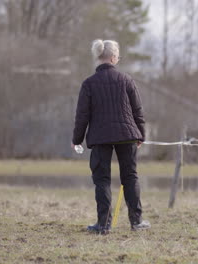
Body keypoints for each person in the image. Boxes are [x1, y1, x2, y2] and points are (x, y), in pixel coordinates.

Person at [72, 39, 150, 234]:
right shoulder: (127, 80)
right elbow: (137, 110)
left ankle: (103, 225)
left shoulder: (89, 84)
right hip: (127, 135)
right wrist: (141, 135)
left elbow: (82, 115)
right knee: (130, 177)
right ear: (114, 57)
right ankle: (136, 222)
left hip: (100, 137)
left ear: (98, 57)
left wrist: (77, 139)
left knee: (102, 180)